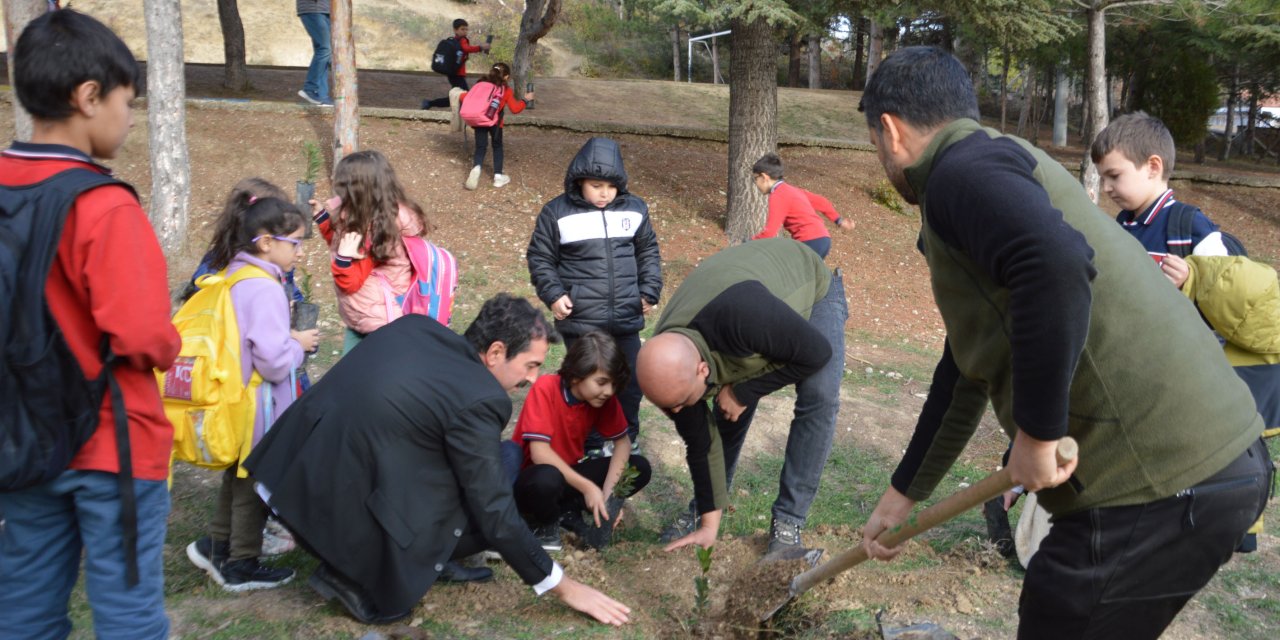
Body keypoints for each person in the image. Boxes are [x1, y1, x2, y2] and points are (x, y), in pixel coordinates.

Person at [856, 46, 1272, 639]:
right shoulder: (997, 165)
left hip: (1164, 480)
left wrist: (1038, 432)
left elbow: (1053, 266)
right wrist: (905, 493)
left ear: (891, 132)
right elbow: (964, 366)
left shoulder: (958, 174)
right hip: (1208, 468)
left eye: (875, 145)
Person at [243, 295, 631, 626]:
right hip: (332, 507)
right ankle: (354, 575)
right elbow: (494, 509)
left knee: (495, 464)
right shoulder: (481, 398)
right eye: (530, 365)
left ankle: (429, 558)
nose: (533, 378)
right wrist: (563, 586)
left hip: (288, 468)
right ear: (496, 352)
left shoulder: (416, 328)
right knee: (484, 513)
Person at [0, 10, 181, 639]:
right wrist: (172, 338)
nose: (129, 121)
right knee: (127, 612)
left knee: (24, 606)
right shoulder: (103, 206)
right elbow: (142, 335)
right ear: (88, 97)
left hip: (22, 436)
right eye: (127, 104)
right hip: (113, 445)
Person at [635, 238, 846, 557]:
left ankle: (788, 522)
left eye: (678, 404)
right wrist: (708, 526)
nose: (675, 412)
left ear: (701, 368)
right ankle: (703, 512)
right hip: (750, 310)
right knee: (725, 409)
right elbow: (700, 441)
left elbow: (817, 353)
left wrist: (745, 391)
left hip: (809, 286)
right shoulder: (667, 365)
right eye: (669, 406)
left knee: (820, 395)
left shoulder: (744, 318)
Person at [182, 197, 320, 591]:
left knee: (235, 477)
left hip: (234, 399)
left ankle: (217, 545)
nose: (299, 250)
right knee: (254, 483)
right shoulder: (264, 286)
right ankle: (241, 563)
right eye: (294, 242)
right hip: (257, 406)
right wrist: (299, 344)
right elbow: (274, 362)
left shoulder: (237, 275)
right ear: (265, 242)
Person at [526, 136, 662, 454]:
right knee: (587, 383)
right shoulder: (556, 212)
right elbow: (540, 257)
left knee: (628, 384)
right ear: (579, 180)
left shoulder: (636, 209)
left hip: (626, 317)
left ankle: (626, 439)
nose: (604, 193)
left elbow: (649, 252)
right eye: (597, 185)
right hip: (582, 321)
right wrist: (554, 294)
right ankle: (589, 443)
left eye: (611, 187)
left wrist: (649, 289)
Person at [509, 331, 654, 551]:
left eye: (613, 384)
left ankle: (569, 510)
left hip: (568, 475)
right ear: (577, 375)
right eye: (602, 382)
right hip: (533, 481)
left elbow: (622, 444)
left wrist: (609, 495)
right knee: (547, 477)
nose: (608, 391)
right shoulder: (546, 387)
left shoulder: (603, 400)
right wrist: (587, 487)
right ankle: (541, 522)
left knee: (639, 467)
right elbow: (540, 454)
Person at [311, 149, 434, 352]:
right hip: (369, 315)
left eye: (343, 187)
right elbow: (340, 241)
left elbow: (349, 283)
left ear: (358, 191)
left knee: (360, 377)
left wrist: (343, 259)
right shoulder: (380, 216)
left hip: (376, 321)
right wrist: (324, 219)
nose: (339, 193)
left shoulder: (374, 232)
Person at [1091, 111, 1230, 260]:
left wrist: (1190, 277)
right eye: (1102, 179)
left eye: (1114, 176)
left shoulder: (1190, 226)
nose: (1106, 188)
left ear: (1153, 167)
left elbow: (1221, 278)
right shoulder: (1123, 222)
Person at [750, 152, 855, 259]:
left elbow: (770, 232)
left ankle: (832, 277)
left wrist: (748, 243)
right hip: (823, 239)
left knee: (785, 271)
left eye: (755, 178)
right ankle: (830, 276)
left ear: (764, 177)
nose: (756, 183)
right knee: (804, 273)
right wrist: (839, 220)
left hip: (809, 241)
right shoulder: (793, 190)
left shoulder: (778, 195)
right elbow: (822, 202)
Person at [460, 62, 533, 190]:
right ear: (506, 77)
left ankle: (477, 167)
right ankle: (498, 178)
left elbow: (464, 97)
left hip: (480, 120)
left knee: (480, 147)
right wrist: (526, 99)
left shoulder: (480, 84)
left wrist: (459, 94)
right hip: (495, 123)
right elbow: (515, 109)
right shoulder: (506, 90)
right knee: (497, 146)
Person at [421, 18, 488, 110]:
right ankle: (430, 103)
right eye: (462, 29)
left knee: (457, 96)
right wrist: (480, 47)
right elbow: (466, 49)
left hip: (453, 73)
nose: (465, 31)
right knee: (463, 96)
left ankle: (429, 103)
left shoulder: (456, 41)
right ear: (455, 30)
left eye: (466, 29)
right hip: (457, 74)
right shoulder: (462, 40)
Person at [296, 0, 333, 107]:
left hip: (326, 10)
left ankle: (322, 96)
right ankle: (309, 88)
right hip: (312, 9)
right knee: (325, 49)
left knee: (324, 53)